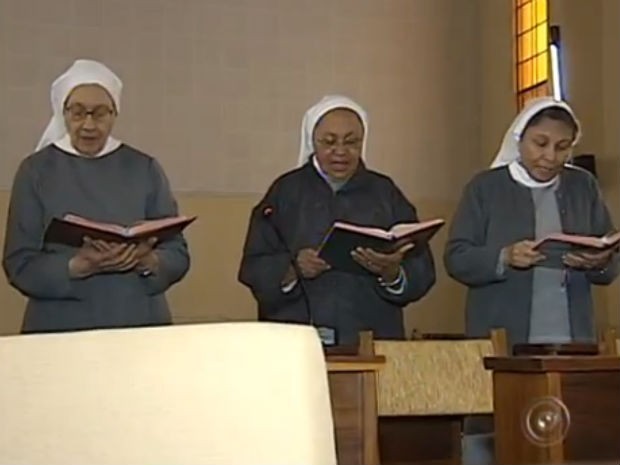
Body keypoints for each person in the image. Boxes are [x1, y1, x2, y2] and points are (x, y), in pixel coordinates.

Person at [2, 59, 190, 333]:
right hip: (60, 325)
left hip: (138, 322)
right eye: (78, 112)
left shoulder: (144, 168)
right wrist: (76, 265)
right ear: (62, 113)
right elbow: (19, 263)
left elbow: (178, 254)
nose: (89, 124)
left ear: (115, 113)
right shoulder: (36, 171)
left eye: (100, 113)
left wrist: (148, 260)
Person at [238, 95, 436, 345]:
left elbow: (422, 267)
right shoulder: (285, 192)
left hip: (370, 338)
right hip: (296, 338)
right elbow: (253, 265)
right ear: (313, 142)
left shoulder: (385, 193)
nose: (340, 151)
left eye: (351, 142)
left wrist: (392, 273)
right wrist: (293, 269)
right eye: (329, 142)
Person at [444, 97, 619, 348]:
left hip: (574, 339)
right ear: (519, 139)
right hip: (504, 340)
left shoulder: (583, 186)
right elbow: (456, 257)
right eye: (540, 143)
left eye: (562, 147)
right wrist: (505, 257)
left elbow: (609, 262)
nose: (550, 156)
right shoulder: (485, 187)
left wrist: (600, 262)